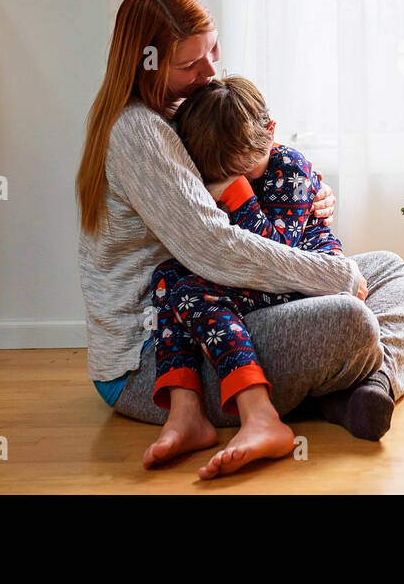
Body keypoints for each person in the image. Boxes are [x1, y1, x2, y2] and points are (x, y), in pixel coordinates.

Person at [75, 0, 404, 479]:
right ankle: (356, 382)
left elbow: (251, 193)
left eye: (212, 49)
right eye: (190, 64)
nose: (211, 71)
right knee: (352, 319)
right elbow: (216, 249)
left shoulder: (180, 110)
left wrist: (309, 198)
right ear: (146, 64)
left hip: (230, 300)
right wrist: (331, 276)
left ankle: (364, 391)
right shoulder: (139, 132)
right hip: (165, 355)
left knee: (390, 269)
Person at [146, 75, 363, 477]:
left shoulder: (289, 168)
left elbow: (279, 252)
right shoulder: (214, 153)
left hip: (307, 278)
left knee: (194, 292)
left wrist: (235, 193)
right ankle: (184, 410)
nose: (236, 178)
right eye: (223, 174)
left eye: (244, 170)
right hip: (253, 275)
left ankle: (260, 417)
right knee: (167, 278)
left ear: (270, 132)